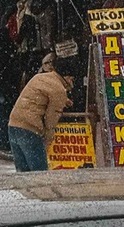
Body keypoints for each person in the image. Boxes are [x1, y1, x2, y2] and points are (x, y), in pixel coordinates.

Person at [5, 42, 78, 171]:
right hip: (30, 128)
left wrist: (63, 100)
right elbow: (51, 118)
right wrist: (47, 140)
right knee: (39, 172)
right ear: (67, 77)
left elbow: (38, 95)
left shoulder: (40, 77)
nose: (72, 83)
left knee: (23, 172)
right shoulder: (59, 90)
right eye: (72, 80)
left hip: (13, 124)